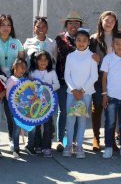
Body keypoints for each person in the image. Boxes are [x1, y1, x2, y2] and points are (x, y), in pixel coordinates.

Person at [0, 14, 25, 151]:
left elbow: (22, 63)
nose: (6, 28)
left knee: (11, 113)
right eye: (3, 25)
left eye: (8, 25)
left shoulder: (17, 43)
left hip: (13, 83)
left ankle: (13, 139)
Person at [63, 29, 98, 159]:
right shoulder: (70, 56)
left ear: (88, 42)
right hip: (71, 93)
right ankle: (69, 145)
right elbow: (67, 75)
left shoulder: (92, 56)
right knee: (70, 119)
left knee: (81, 119)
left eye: (84, 40)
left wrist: (82, 91)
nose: (81, 43)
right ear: (75, 41)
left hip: (86, 93)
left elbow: (94, 76)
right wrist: (73, 90)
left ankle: (79, 146)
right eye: (79, 40)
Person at [89, 11, 118, 151]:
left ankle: (111, 139)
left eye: (112, 21)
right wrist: (93, 57)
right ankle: (96, 137)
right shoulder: (93, 39)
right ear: (101, 21)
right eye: (107, 20)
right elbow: (87, 56)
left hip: (115, 77)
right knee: (98, 106)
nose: (109, 23)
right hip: (98, 76)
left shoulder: (118, 38)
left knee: (112, 108)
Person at [55, 11, 83, 152]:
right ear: (66, 25)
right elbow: (69, 50)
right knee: (64, 111)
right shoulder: (60, 39)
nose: (74, 25)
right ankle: (61, 140)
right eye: (70, 23)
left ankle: (74, 141)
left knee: (77, 111)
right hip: (63, 80)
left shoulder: (84, 39)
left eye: (77, 23)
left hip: (79, 82)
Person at [28, 51, 60, 157]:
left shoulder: (52, 72)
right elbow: (29, 86)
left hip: (49, 104)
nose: (43, 62)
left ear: (49, 61)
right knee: (37, 124)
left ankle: (46, 147)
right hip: (36, 104)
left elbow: (57, 85)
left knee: (48, 126)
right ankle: (37, 145)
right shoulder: (32, 72)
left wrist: (48, 87)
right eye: (40, 59)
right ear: (36, 61)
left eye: (45, 60)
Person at [6, 58, 28, 158]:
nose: (23, 69)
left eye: (24, 67)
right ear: (14, 67)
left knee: (23, 128)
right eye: (21, 67)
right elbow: (8, 96)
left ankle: (29, 146)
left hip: (24, 109)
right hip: (14, 109)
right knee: (16, 128)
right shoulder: (11, 80)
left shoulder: (25, 80)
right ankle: (16, 148)